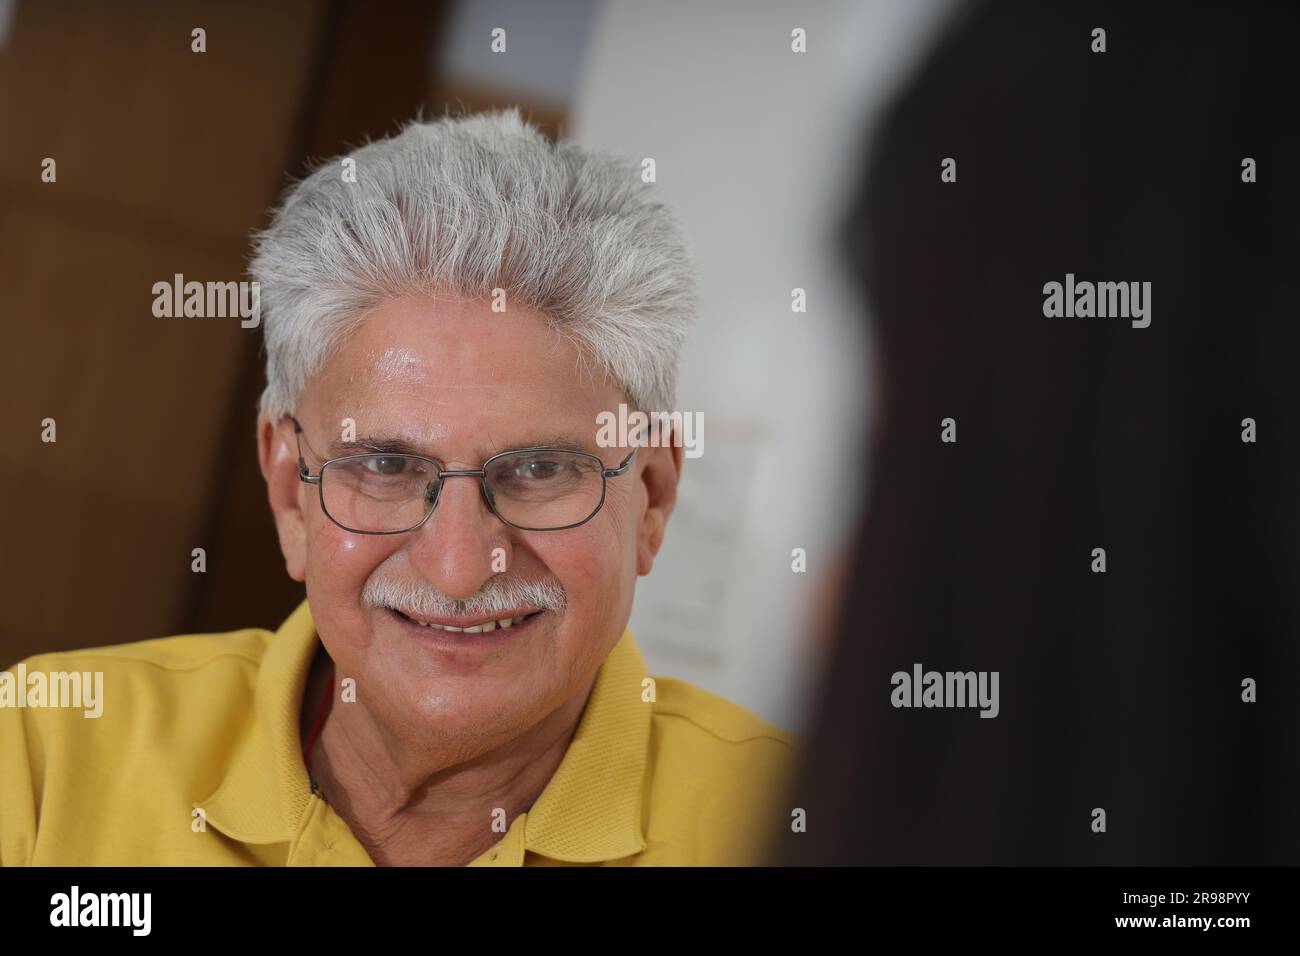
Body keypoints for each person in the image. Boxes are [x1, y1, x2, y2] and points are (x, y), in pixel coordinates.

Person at [0, 108, 798, 867]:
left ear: (651, 497)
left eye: (540, 471)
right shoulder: (44, 752)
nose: (457, 567)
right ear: (288, 492)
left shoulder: (807, 828)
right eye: (385, 466)